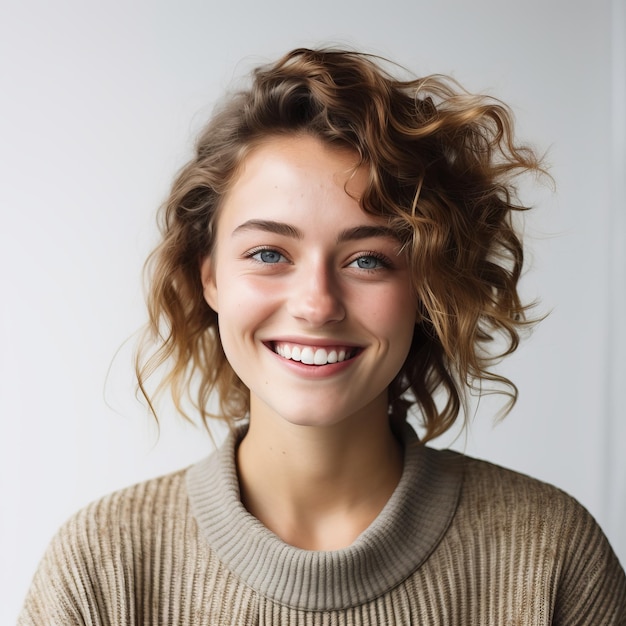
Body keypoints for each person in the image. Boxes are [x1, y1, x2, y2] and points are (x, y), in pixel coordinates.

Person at [19, 47, 626, 625]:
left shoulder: (551, 556)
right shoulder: (99, 570)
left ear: (425, 288)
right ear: (210, 278)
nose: (316, 305)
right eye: (267, 253)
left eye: (368, 260)